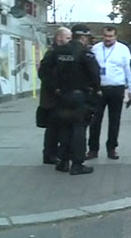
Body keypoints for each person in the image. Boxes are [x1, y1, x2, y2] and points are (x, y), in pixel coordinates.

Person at [42, 24, 100, 175]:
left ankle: (63, 161)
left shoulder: (56, 52)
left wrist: (55, 88)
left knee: (64, 129)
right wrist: (94, 92)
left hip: (61, 97)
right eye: (87, 38)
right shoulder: (85, 53)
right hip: (80, 97)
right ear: (83, 37)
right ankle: (77, 164)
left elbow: (43, 72)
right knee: (79, 129)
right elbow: (95, 75)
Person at [87, 26, 131, 160]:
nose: (107, 39)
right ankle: (93, 149)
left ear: (115, 36)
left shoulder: (123, 49)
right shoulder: (95, 48)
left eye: (110, 36)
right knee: (95, 120)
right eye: (105, 36)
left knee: (115, 120)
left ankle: (112, 148)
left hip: (116, 88)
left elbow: (127, 70)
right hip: (99, 89)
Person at [38, 27, 72, 164]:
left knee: (58, 126)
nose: (70, 41)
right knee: (53, 127)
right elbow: (44, 74)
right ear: (59, 38)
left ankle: (55, 152)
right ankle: (49, 154)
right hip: (51, 97)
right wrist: (56, 89)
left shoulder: (60, 53)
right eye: (68, 38)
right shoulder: (52, 54)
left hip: (57, 96)